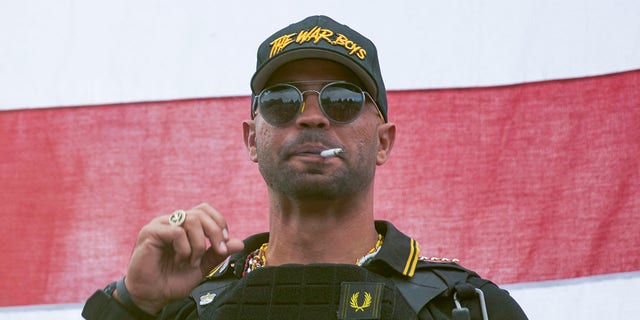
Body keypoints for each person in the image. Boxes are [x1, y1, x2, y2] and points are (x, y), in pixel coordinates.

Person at [82, 15, 528, 320]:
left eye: (342, 99)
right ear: (252, 139)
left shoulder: (465, 307)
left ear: (383, 142)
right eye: (281, 101)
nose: (311, 116)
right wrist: (134, 303)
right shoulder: (190, 306)